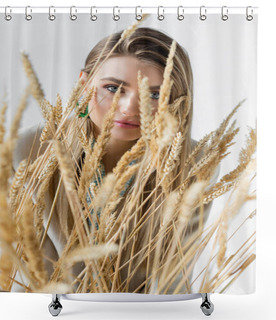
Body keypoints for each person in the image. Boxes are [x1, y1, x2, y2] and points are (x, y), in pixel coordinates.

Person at [11, 27, 220, 294]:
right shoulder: (31, 151)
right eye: (113, 88)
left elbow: (173, 278)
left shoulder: (194, 162)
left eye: (155, 94)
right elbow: (31, 272)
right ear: (84, 85)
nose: (130, 108)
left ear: (175, 102)